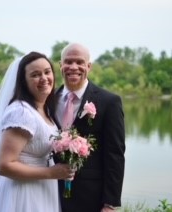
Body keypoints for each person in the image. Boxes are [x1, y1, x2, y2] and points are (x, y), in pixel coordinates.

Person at [0, 52, 74, 212]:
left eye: (47, 72)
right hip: (22, 192)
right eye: (35, 74)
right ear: (23, 81)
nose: (44, 78)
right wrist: (51, 172)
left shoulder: (45, 109)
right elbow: (4, 166)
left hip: (43, 188)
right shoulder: (21, 112)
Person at [55, 43, 126, 212]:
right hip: (48, 192)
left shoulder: (109, 102)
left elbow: (115, 155)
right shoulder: (49, 100)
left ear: (89, 66)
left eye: (80, 62)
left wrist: (110, 203)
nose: (74, 67)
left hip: (90, 197)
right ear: (60, 66)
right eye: (68, 62)